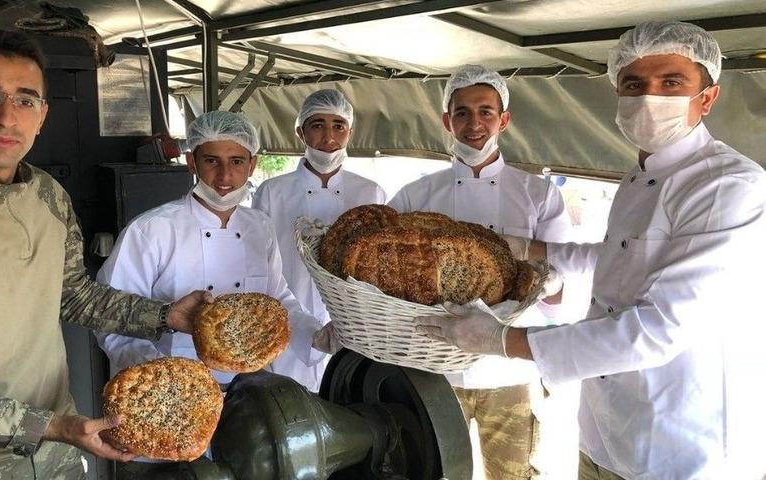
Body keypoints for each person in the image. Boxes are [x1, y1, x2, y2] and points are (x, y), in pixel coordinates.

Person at [417, 21, 766, 480]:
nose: (649, 97)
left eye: (671, 82)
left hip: (678, 445)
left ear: (708, 97)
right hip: (607, 431)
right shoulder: (637, 180)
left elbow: (662, 328)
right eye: (634, 84)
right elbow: (617, 257)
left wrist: (503, 339)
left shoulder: (727, 186)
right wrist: (533, 249)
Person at [0, 30, 212, 480]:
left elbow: (70, 294)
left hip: (54, 454)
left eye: (25, 100)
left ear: (43, 114)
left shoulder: (48, 195)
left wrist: (166, 316)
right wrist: (50, 425)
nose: (7, 118)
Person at [95, 110, 327, 478]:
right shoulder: (152, 230)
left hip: (247, 405)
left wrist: (316, 335)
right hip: (167, 410)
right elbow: (110, 319)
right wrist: (162, 379)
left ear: (252, 165)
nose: (224, 176)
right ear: (191, 162)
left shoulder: (260, 227)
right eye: (211, 161)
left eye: (236, 161)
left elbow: (277, 302)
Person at [389, 64, 574, 479]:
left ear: (504, 119)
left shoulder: (538, 194)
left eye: (486, 111)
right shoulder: (415, 196)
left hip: (509, 369)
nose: (475, 124)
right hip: (432, 372)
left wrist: (552, 282)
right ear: (446, 121)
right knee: (427, 471)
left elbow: (564, 290)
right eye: (462, 113)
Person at [252, 89, 386, 390]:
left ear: (350, 132)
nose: (329, 136)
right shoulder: (272, 192)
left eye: (338, 126)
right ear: (300, 131)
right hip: (285, 326)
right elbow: (258, 264)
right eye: (317, 125)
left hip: (353, 331)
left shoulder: (371, 192)